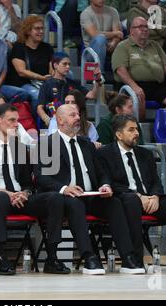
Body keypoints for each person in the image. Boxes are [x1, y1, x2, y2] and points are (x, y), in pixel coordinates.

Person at [35, 104, 146, 274]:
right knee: (75, 204)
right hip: (65, 198)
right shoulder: (48, 144)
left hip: (91, 195)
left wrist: (105, 184)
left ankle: (128, 257)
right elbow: (42, 177)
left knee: (114, 203)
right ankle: (89, 257)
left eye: (78, 114)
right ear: (60, 120)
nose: (78, 118)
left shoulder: (86, 143)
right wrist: (64, 188)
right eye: (73, 115)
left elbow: (102, 172)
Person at [0, 103, 74, 275]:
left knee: (55, 198)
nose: (16, 124)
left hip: (20, 199)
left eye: (17, 121)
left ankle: (52, 257)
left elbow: (28, 182)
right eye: (11, 120)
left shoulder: (19, 147)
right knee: (1, 198)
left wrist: (25, 193)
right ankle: (1, 257)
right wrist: (2, 192)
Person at [97, 114, 166, 272]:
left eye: (137, 129)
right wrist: (139, 196)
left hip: (151, 201)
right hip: (126, 202)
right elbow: (109, 183)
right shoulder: (105, 154)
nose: (137, 133)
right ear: (119, 134)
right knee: (131, 200)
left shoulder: (145, 154)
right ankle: (135, 258)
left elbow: (156, 181)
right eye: (131, 130)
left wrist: (156, 196)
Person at [112, 17, 166, 119]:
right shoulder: (123, 46)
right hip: (132, 85)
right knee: (138, 97)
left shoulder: (155, 45)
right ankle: (140, 128)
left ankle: (160, 125)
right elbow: (120, 70)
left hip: (156, 86)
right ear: (131, 30)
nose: (145, 29)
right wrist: (134, 87)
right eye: (140, 27)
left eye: (146, 27)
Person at [5, 15, 54, 117]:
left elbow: (52, 68)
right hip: (23, 83)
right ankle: (34, 124)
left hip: (43, 82)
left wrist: (51, 76)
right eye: (37, 29)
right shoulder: (19, 47)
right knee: (37, 95)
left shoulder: (47, 47)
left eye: (42, 28)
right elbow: (21, 71)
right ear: (28, 31)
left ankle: (53, 123)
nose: (41, 31)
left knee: (57, 94)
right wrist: (41, 78)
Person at [36, 52, 100, 128]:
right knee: (49, 139)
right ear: (55, 65)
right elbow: (39, 108)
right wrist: (48, 121)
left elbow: (92, 95)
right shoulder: (47, 84)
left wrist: (97, 80)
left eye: (69, 64)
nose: (67, 67)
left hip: (69, 125)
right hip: (50, 125)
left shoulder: (73, 83)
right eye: (64, 64)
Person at [80, 0, 123, 72]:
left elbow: (118, 34)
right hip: (91, 52)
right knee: (100, 39)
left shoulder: (113, 11)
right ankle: (100, 76)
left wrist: (114, 43)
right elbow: (95, 34)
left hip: (111, 48)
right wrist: (114, 33)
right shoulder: (85, 14)